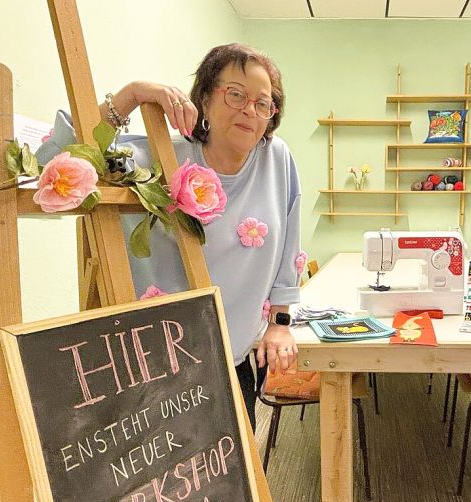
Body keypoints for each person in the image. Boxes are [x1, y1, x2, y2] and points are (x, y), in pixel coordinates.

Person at [38, 43, 301, 431]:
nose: (249, 110)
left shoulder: (277, 159)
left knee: (229, 481)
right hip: (153, 373)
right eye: (235, 94)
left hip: (233, 359)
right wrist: (133, 95)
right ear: (206, 99)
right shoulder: (160, 158)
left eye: (263, 103)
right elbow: (55, 162)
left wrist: (280, 323)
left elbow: (288, 243)